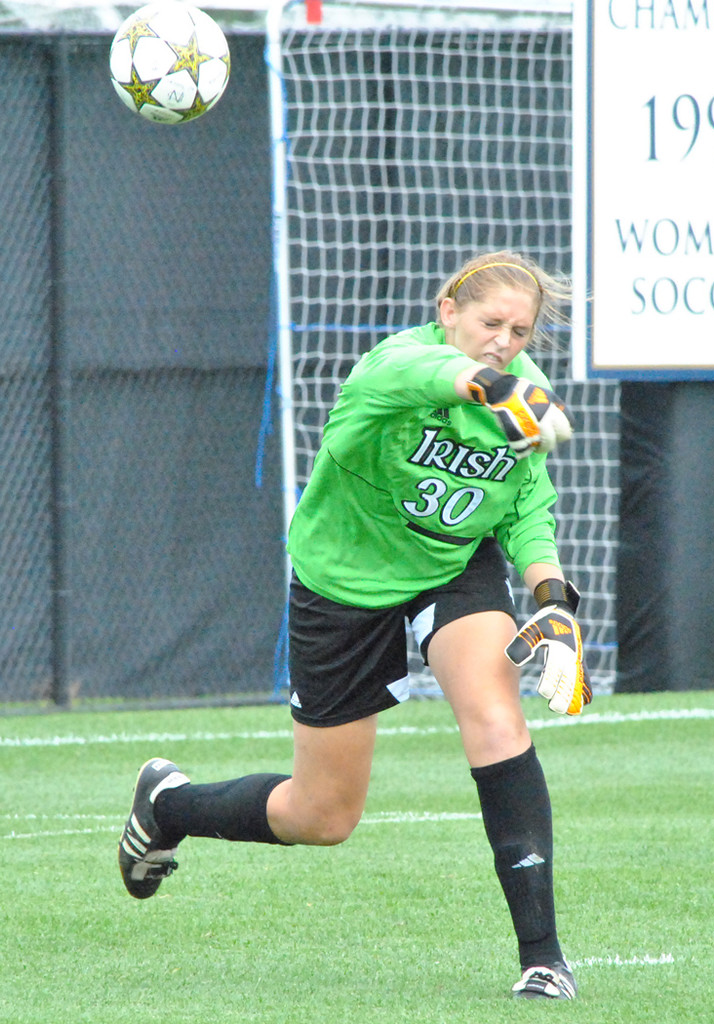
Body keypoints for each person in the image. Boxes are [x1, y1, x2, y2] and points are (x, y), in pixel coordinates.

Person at [117, 250, 592, 1001]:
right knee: (323, 815)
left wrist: (554, 599)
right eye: (489, 322)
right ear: (448, 312)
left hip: (449, 566)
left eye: (519, 330)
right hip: (344, 579)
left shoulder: (521, 395)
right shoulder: (399, 365)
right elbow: (423, 380)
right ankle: (168, 804)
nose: (504, 339)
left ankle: (543, 958)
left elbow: (528, 509)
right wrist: (488, 384)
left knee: (497, 719)